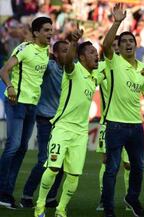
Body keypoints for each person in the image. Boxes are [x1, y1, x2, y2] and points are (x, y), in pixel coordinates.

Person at [100, 4, 144, 217]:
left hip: (135, 125)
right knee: (112, 169)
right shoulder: (113, 62)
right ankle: (109, 209)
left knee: (139, 167)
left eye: (131, 41)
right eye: (124, 42)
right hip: (114, 123)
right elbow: (105, 46)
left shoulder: (143, 67)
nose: (128, 44)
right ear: (119, 47)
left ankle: (132, 197)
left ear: (136, 44)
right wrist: (116, 22)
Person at [34, 29, 104, 217]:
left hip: (81, 133)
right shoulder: (73, 71)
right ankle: (40, 204)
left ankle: (61, 209)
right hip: (62, 127)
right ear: (81, 58)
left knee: (74, 174)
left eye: (96, 52)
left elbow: (111, 60)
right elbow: (67, 62)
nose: (96, 55)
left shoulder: (94, 77)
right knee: (54, 167)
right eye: (91, 52)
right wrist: (73, 42)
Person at [0, 16, 53, 209]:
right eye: (46, 30)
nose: (50, 33)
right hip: (16, 102)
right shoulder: (24, 48)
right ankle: (2, 192)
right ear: (36, 32)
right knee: (13, 146)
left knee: (22, 148)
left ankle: (7, 193)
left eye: (51, 29)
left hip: (32, 106)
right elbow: (4, 70)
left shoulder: (46, 51)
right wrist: (11, 86)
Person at [19, 41, 69, 208]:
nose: (67, 54)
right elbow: (36, 64)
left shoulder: (72, 69)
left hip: (61, 122)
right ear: (55, 54)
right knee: (44, 160)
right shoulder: (50, 67)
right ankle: (26, 195)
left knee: (60, 163)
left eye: (69, 51)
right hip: (46, 119)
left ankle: (50, 198)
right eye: (63, 51)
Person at [96, 35, 132, 212]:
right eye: (115, 45)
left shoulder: (131, 68)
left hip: (129, 122)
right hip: (108, 122)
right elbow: (91, 81)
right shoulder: (103, 67)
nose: (117, 48)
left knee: (129, 164)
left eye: (120, 45)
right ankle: (104, 199)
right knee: (107, 162)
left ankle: (128, 199)